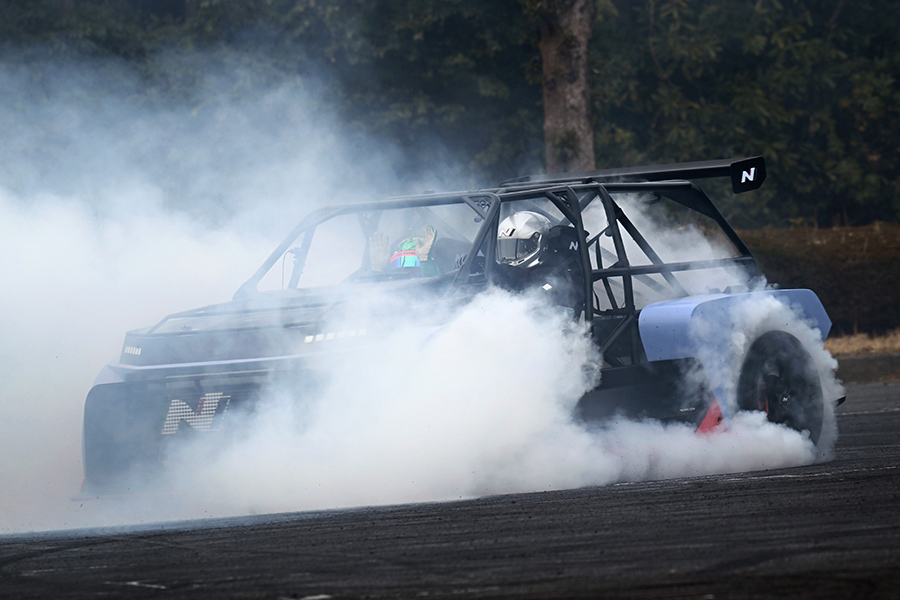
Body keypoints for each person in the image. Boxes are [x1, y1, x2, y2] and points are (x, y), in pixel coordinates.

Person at [496, 211, 586, 317]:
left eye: (519, 249)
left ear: (537, 243)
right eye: (506, 248)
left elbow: (534, 292)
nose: (510, 257)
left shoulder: (558, 274)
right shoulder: (520, 273)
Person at [369, 225, 440, 277]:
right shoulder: (387, 290)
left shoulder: (446, 289)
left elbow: (436, 287)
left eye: (413, 262)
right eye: (402, 262)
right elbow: (369, 292)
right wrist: (376, 268)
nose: (407, 270)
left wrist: (425, 262)